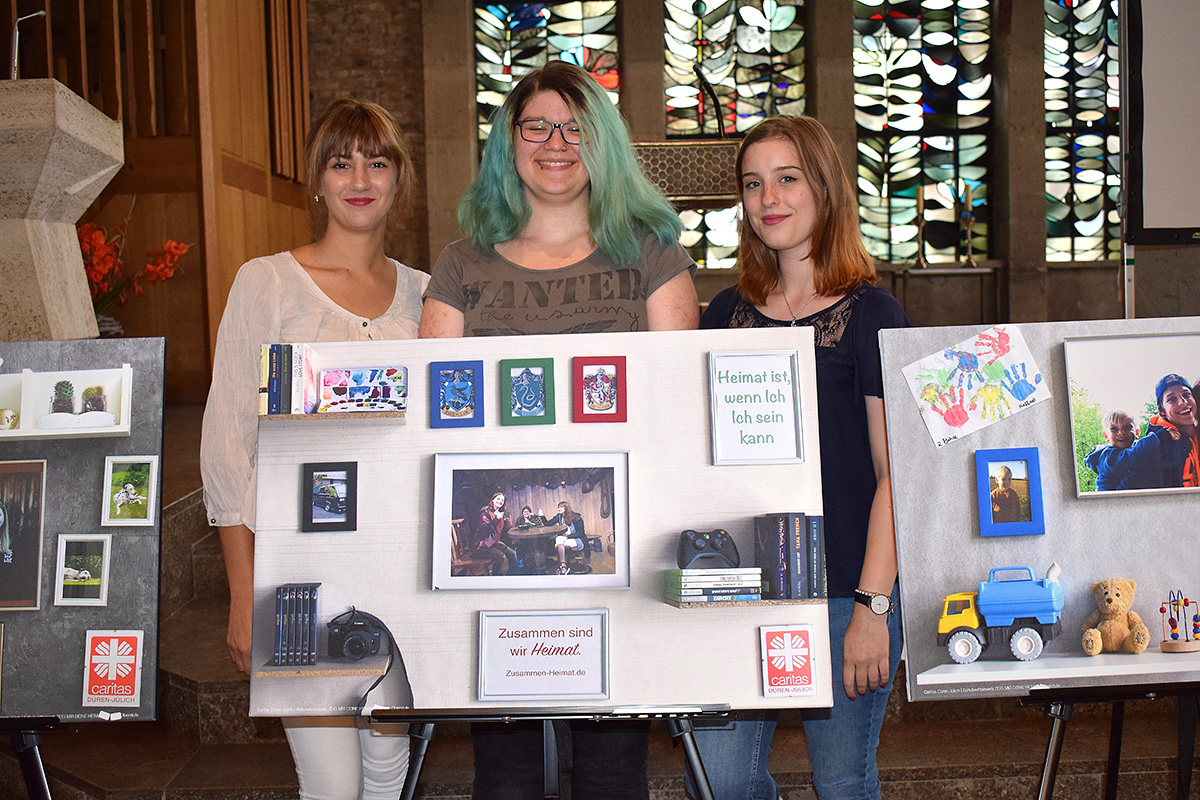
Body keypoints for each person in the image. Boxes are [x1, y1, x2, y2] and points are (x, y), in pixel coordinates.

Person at [420, 59, 698, 800]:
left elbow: (676, 413)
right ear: (509, 143)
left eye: (575, 128)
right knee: (506, 777)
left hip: (626, 560)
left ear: (601, 142)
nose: (555, 142)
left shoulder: (651, 257)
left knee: (612, 772)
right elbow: (430, 426)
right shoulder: (459, 264)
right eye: (537, 125)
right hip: (495, 576)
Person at [200, 98, 428, 800]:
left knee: (390, 773)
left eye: (377, 161)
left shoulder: (428, 299)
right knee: (331, 784)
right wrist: (244, 594)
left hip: (398, 571)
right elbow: (227, 447)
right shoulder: (266, 283)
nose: (360, 177)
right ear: (318, 179)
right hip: (298, 577)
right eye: (341, 161)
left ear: (399, 179)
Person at [691, 115, 907, 800]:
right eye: (753, 184)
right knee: (720, 781)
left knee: (843, 780)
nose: (769, 198)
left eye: (787, 178)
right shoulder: (723, 312)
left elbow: (895, 473)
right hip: (740, 589)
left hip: (845, 588)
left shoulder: (875, 313)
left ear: (824, 188)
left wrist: (873, 606)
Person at [1085, 410, 1183, 491]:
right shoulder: (1106, 456)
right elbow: (1130, 456)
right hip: (1108, 504)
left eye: (1127, 427)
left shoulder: (1135, 449)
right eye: (1114, 429)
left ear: (1137, 433)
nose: (1121, 432)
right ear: (1106, 436)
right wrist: (1159, 437)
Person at [1140, 374, 1199, 488]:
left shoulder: (1196, 436)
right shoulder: (1155, 447)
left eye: (1186, 395)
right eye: (1172, 399)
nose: (1182, 402)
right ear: (1162, 410)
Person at [475, 492, 519, 574]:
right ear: (493, 500)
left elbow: (502, 530)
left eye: (502, 500)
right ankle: (496, 577)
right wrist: (496, 520)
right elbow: (484, 530)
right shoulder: (485, 512)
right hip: (482, 544)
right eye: (498, 499)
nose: (500, 501)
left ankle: (514, 575)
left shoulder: (500, 513)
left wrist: (509, 522)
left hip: (493, 542)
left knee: (512, 554)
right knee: (502, 557)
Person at [549, 500, 586, 575]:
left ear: (566, 508)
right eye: (558, 507)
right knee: (558, 539)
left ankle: (561, 567)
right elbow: (548, 523)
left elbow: (580, 532)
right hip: (565, 539)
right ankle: (563, 566)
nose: (559, 509)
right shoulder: (559, 517)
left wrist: (568, 536)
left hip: (576, 539)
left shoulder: (576, 517)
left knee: (559, 545)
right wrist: (541, 515)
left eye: (561, 507)